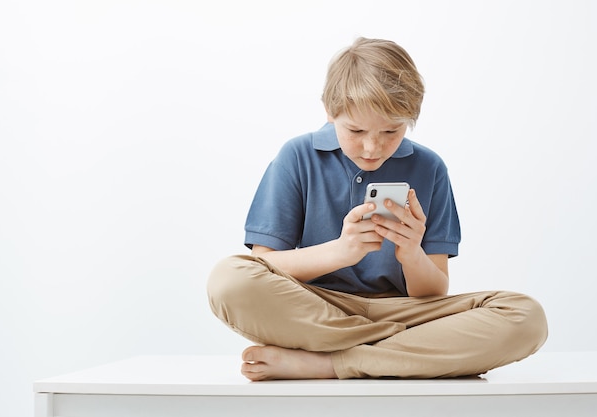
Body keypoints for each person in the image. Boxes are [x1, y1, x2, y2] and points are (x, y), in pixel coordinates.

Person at [207, 37, 547, 381]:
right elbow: (264, 265)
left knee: (525, 316)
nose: (372, 147)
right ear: (329, 111)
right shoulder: (296, 157)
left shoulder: (430, 168)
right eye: (355, 130)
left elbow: (433, 292)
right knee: (228, 279)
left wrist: (412, 253)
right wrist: (341, 251)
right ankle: (403, 354)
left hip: (405, 312)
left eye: (391, 130)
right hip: (318, 309)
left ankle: (330, 362)